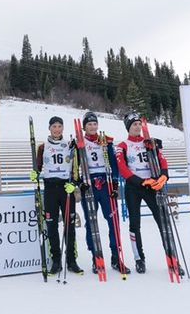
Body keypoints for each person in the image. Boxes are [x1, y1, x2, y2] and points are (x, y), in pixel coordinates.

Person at [115, 112, 183, 275]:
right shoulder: (123, 146)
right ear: (128, 127)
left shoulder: (150, 142)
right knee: (134, 224)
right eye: (134, 125)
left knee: (163, 222)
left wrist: (164, 175)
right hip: (134, 187)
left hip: (153, 186)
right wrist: (140, 181)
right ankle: (139, 259)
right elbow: (122, 168)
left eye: (139, 124)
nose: (137, 127)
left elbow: (162, 159)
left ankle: (172, 258)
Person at [30, 116, 83, 275]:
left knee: (70, 226)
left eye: (60, 126)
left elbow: (76, 170)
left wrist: (73, 184)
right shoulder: (42, 147)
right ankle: (56, 261)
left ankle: (72, 261)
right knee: (52, 227)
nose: (57, 129)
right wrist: (34, 174)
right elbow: (38, 167)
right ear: (49, 128)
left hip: (66, 189)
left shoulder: (70, 146)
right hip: (51, 188)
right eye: (54, 126)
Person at [79, 112, 131, 274]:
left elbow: (114, 164)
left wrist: (115, 184)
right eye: (89, 124)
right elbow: (76, 165)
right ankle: (96, 257)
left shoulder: (106, 141)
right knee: (91, 221)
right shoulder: (79, 143)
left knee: (113, 221)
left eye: (95, 124)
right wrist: (80, 182)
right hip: (90, 183)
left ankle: (116, 257)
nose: (93, 127)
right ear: (84, 127)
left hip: (106, 182)